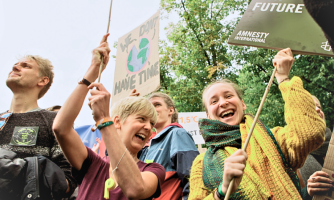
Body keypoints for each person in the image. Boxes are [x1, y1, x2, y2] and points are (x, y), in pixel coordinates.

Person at [188, 48, 326, 200]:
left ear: (242, 104)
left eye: (228, 96)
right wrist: (222, 190)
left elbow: (310, 134)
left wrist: (283, 79)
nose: (223, 102)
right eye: (214, 101)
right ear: (208, 115)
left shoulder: (275, 138)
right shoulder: (202, 164)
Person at [52, 34, 165, 200]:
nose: (149, 128)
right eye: (141, 119)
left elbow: (135, 189)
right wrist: (92, 70)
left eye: (152, 123)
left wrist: (104, 119)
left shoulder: (153, 170)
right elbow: (60, 128)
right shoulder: (92, 163)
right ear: (118, 121)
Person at [0, 54, 76, 199]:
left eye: (26, 66)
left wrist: (27, 170)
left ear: (43, 80)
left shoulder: (54, 121)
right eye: (17, 64)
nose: (15, 67)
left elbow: (69, 181)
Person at [138, 92, 199, 200]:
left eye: (157, 104)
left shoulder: (177, 134)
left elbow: (192, 177)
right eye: (149, 107)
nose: (152, 109)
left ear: (171, 110)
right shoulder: (144, 145)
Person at [299, 96, 333, 199]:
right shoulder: (292, 160)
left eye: (319, 107)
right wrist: (307, 193)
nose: (318, 109)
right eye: (310, 108)